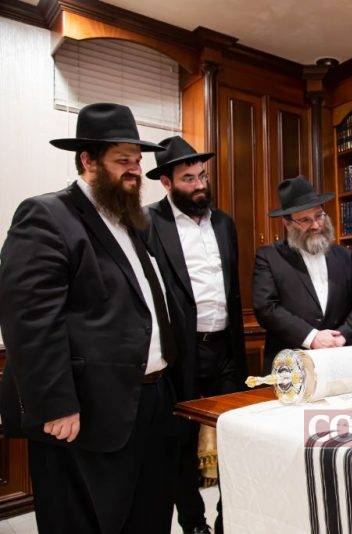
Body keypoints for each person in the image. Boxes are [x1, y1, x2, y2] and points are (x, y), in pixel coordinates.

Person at [0, 103, 176, 533]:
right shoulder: (47, 215)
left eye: (137, 160)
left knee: (147, 517)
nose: (134, 170)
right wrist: (56, 404)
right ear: (88, 160)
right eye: (122, 160)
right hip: (84, 411)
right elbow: (30, 320)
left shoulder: (132, 220)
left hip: (149, 401)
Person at [145, 136, 247, 534]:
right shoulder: (149, 222)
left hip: (225, 349)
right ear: (166, 183)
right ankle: (193, 522)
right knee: (180, 444)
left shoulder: (224, 223)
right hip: (182, 353)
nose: (200, 185)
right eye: (188, 179)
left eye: (202, 175)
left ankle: (227, 519)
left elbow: (231, 290)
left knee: (234, 438)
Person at [252, 176, 352, 369]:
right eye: (305, 220)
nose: (315, 225)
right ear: (287, 223)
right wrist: (312, 337)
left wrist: (342, 336)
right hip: (292, 365)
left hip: (341, 359)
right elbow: (266, 308)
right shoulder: (270, 257)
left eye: (319, 216)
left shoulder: (345, 256)